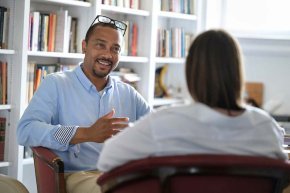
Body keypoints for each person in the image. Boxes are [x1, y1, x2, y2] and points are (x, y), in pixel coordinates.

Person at [97, 29, 288, 172]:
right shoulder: (265, 127)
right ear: (238, 73)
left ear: (192, 72)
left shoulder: (165, 123)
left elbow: (107, 159)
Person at [17, 15, 151, 193]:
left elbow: (156, 127)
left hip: (121, 173)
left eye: (115, 49)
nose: (107, 54)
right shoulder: (56, 84)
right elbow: (25, 131)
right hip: (80, 175)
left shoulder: (128, 93)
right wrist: (85, 133)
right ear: (84, 46)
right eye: (100, 45)